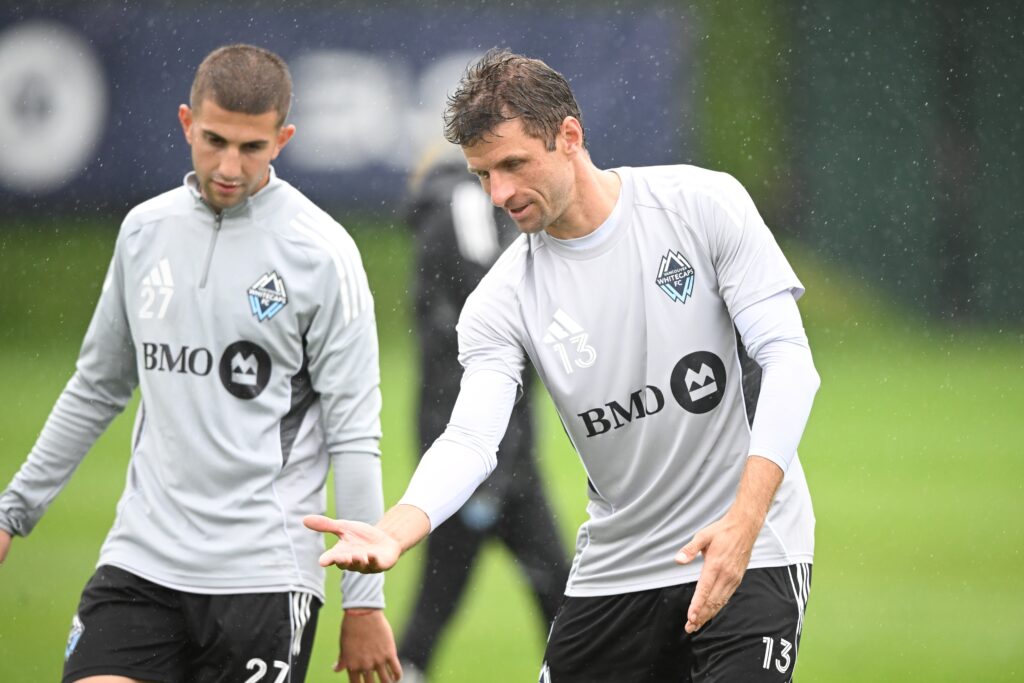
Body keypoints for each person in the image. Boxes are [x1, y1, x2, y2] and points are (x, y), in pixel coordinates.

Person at [305, 48, 820, 682]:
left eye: (514, 164)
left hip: (753, 545)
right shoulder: (502, 298)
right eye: (482, 175)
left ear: (569, 136)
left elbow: (789, 360)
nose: (500, 193)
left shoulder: (702, 206)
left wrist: (745, 522)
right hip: (619, 565)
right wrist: (395, 530)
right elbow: (470, 438)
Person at [0, 44, 401, 683]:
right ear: (187, 122)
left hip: (264, 577)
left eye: (252, 147)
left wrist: (364, 604)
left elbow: (355, 436)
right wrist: (12, 510)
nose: (229, 166)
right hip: (142, 562)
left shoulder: (322, 254)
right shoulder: (143, 232)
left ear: (284, 139)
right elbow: (97, 386)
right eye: (213, 140)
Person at [397, 147, 569, 681]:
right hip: (483, 444)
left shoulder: (443, 211)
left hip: (486, 439)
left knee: (558, 594)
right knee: (558, 596)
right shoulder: (464, 206)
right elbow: (497, 309)